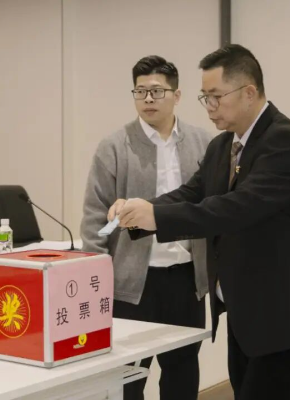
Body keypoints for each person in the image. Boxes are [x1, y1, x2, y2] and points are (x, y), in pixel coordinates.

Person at [111, 44, 290, 400]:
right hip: (247, 311)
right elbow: (191, 194)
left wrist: (156, 217)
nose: (210, 106)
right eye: (205, 97)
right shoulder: (222, 146)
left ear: (248, 92)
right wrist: (140, 209)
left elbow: (234, 208)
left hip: (287, 311)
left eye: (216, 96)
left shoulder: (284, 141)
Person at [81, 55, 212, 400]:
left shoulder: (203, 143)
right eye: (140, 92)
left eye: (156, 91)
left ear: (177, 95)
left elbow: (212, 210)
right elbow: (94, 218)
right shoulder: (114, 146)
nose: (148, 99)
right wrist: (97, 279)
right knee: (128, 379)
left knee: (182, 373)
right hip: (131, 286)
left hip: (186, 280)